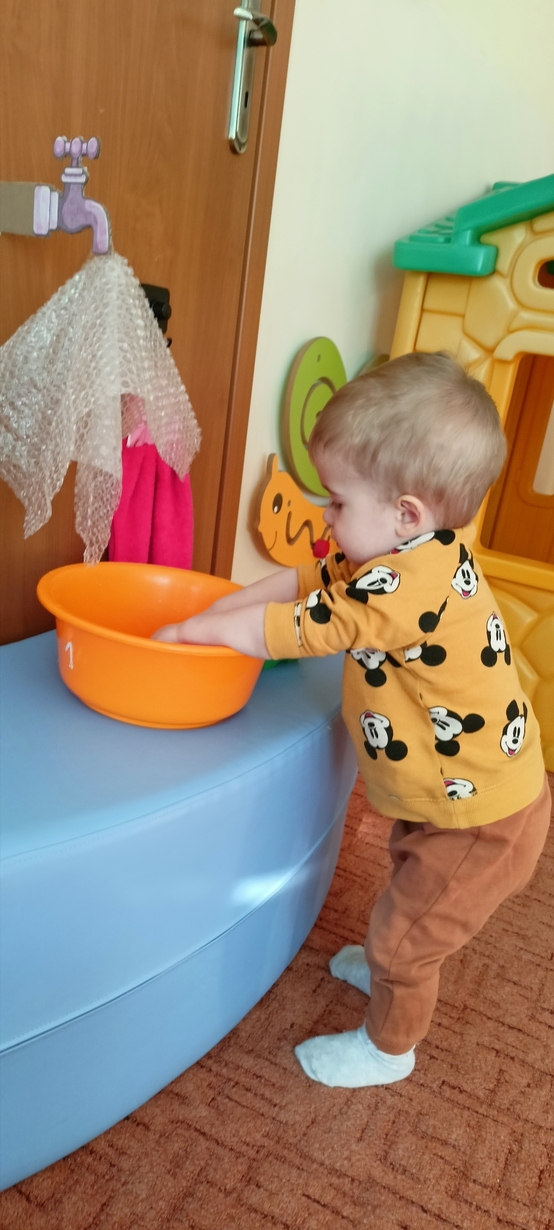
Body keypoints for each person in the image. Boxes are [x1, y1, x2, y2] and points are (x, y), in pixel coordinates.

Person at [153, 352, 550, 1088]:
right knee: (408, 886)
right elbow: (305, 580)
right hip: (448, 795)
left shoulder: (406, 586)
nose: (326, 516)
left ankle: (389, 1050)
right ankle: (390, 960)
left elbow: (297, 627)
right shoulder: (405, 552)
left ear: (405, 514)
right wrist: (219, 607)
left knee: (409, 936)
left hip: (483, 817)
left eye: (336, 502)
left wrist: (190, 634)